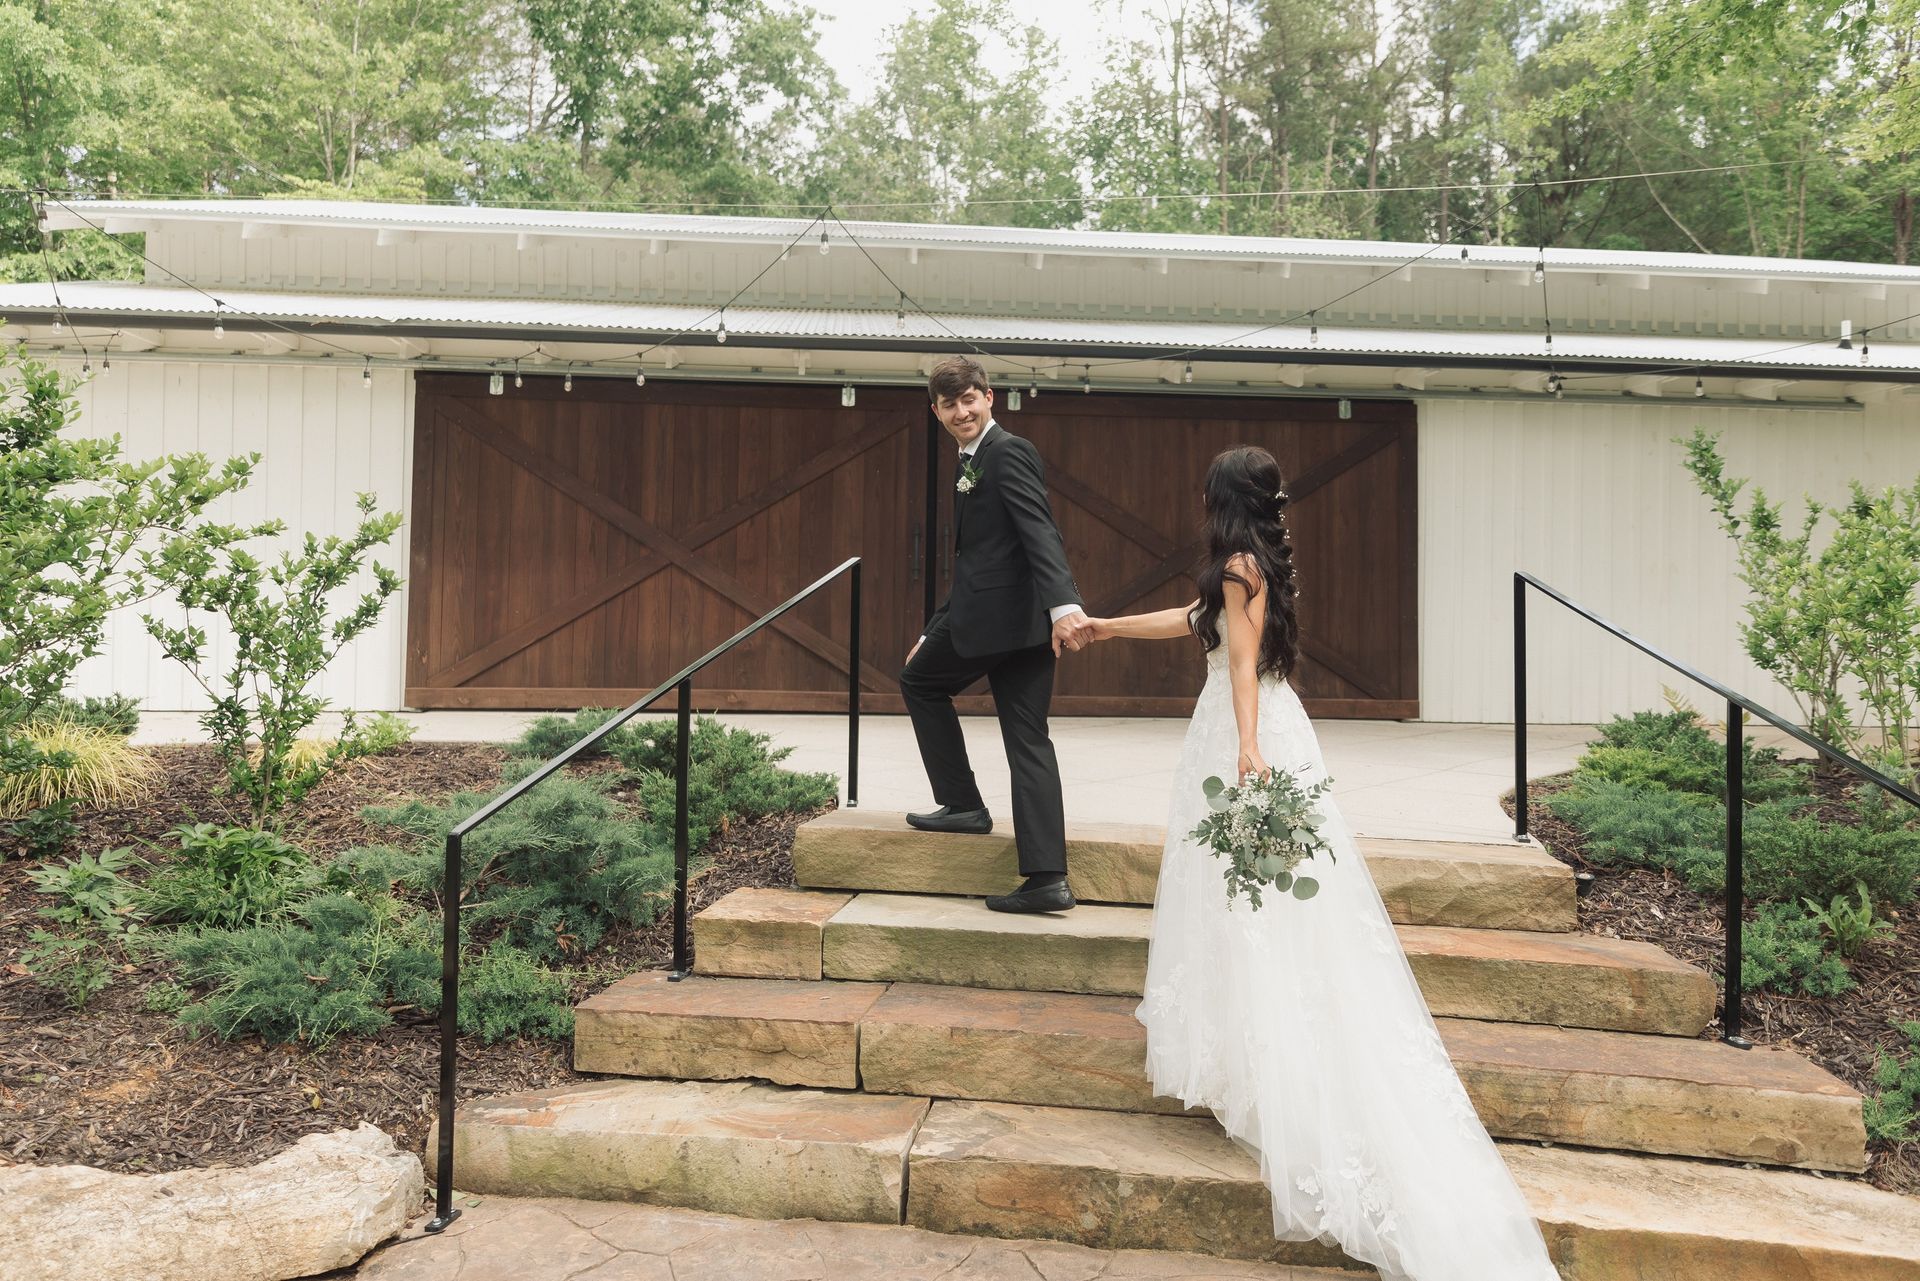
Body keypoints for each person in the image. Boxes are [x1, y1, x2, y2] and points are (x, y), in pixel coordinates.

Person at [1083, 445, 1560, 1281]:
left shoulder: (1238, 562)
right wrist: (1105, 624)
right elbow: (1202, 627)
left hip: (1247, 733)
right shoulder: (1251, 563)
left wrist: (1247, 748)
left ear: (1220, 497)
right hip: (1265, 723)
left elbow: (1237, 661)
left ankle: (1266, 1062)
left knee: (1251, 902)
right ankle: (1248, 1048)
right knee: (1258, 903)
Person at [898, 355, 1094, 913]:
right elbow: (980, 559)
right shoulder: (972, 459)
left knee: (920, 683)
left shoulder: (1006, 451)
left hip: (1007, 623)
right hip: (1015, 624)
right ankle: (1046, 878)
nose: (961, 410)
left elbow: (1040, 531)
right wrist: (936, 625)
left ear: (990, 397)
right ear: (935, 411)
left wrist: (1065, 607)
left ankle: (963, 805)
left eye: (969, 399)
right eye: (949, 403)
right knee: (1028, 741)